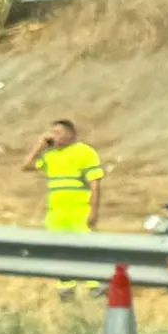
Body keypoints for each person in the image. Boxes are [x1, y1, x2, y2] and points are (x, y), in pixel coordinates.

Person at [22, 119, 107, 301]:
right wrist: (40, 146)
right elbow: (26, 166)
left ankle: (95, 286)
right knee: (59, 250)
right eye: (53, 133)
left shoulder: (85, 152)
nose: (56, 137)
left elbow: (95, 185)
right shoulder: (50, 155)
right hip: (57, 213)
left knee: (86, 248)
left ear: (72, 134)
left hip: (79, 210)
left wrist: (93, 211)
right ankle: (66, 288)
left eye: (60, 133)